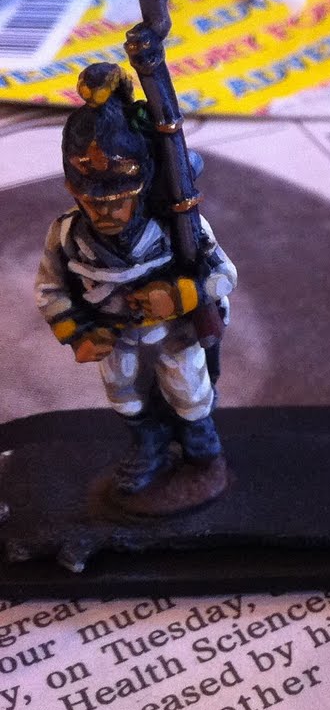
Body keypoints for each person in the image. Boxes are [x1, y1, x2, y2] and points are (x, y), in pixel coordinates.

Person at [36, 62, 237, 505]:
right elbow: (50, 291)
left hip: (175, 333)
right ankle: (149, 448)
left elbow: (224, 275)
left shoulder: (177, 226)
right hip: (114, 335)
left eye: (118, 199)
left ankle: (204, 457)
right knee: (124, 395)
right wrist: (78, 335)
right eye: (92, 200)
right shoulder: (66, 235)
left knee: (190, 395)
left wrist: (181, 295)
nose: (105, 211)